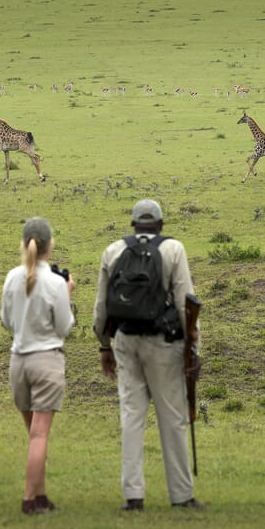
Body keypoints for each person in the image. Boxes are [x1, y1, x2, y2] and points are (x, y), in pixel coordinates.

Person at [92, 199, 203, 511]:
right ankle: (181, 496)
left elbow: (101, 308)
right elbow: (186, 302)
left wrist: (103, 345)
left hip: (125, 340)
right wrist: (194, 348)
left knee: (131, 415)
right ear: (160, 225)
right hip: (164, 343)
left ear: (133, 226)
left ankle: (133, 496)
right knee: (173, 417)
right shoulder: (173, 250)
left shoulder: (113, 251)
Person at [1, 217, 76, 515]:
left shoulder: (11, 278)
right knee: (40, 434)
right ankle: (30, 499)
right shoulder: (56, 283)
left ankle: (41, 494)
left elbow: (7, 321)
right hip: (46, 361)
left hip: (18, 362)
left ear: (24, 244)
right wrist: (67, 295)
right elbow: (64, 327)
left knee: (33, 433)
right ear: (50, 246)